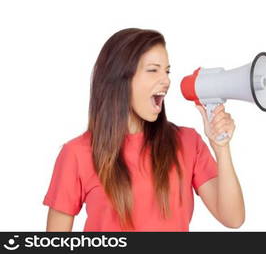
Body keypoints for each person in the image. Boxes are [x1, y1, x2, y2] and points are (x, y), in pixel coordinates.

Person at [44, 28, 245, 231]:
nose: (166, 80)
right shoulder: (76, 154)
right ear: (120, 78)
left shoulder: (187, 142)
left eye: (167, 71)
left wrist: (221, 148)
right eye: (153, 70)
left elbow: (233, 218)